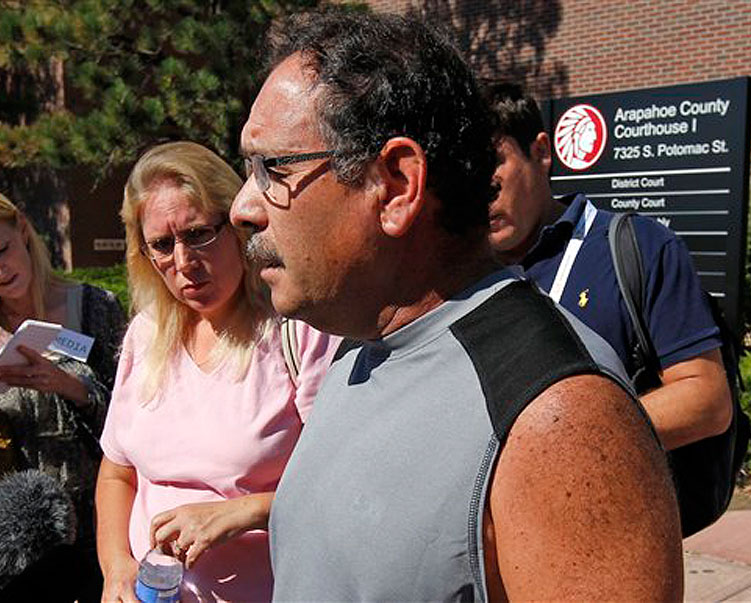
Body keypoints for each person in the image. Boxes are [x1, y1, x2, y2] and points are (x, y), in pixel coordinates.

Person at [230, 10, 683, 601]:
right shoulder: (362, 345)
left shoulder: (561, 418)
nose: (243, 206)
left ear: (395, 185)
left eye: (273, 169)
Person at [95, 141, 339, 602]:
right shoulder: (146, 335)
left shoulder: (297, 332)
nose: (184, 264)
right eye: (162, 246)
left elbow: (346, 485)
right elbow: (116, 474)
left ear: (237, 223)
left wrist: (243, 512)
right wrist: (117, 569)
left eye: (199, 233)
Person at [488, 89, 732, 453]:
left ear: (540, 152)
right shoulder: (452, 269)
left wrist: (557, 444)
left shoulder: (640, 246)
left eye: (493, 168)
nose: (478, 195)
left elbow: (706, 399)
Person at [0, 184, 125, 600]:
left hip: (96, 523)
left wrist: (70, 385)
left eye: (1, 250)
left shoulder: (95, 306)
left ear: (23, 229)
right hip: (10, 539)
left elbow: (134, 421)